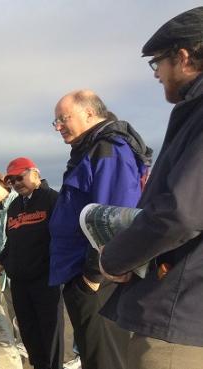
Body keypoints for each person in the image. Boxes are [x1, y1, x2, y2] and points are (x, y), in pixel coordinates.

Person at [99, 6, 203, 368]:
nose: (157, 74)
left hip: (181, 318)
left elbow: (181, 212)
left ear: (185, 57)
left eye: (158, 62)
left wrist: (116, 257)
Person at [48, 90, 152, 369]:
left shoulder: (108, 149)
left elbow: (116, 216)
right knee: (94, 358)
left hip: (99, 280)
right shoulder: (89, 151)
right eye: (55, 121)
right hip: (85, 276)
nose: (58, 126)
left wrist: (92, 276)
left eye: (62, 119)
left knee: (104, 359)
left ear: (89, 113)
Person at [0, 157, 63, 369]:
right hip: (20, 283)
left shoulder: (53, 199)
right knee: (30, 334)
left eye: (19, 177)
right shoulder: (14, 207)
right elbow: (12, 243)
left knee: (50, 335)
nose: (16, 183)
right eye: (11, 181)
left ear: (35, 173)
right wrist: (1, 262)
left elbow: (63, 239)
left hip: (46, 281)